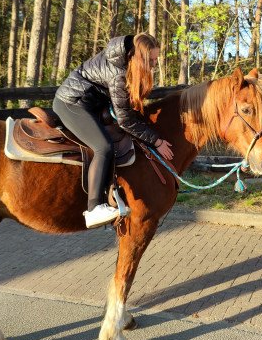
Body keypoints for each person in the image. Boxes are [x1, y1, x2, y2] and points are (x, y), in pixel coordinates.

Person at [53, 33, 174, 229]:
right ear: (138, 58)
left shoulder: (124, 59)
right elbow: (126, 120)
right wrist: (156, 141)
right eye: (151, 60)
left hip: (91, 103)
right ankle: (94, 208)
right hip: (71, 103)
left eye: (155, 59)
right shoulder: (118, 74)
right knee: (104, 147)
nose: (153, 65)